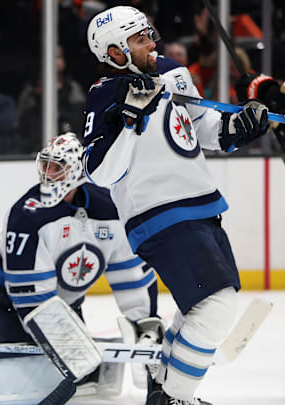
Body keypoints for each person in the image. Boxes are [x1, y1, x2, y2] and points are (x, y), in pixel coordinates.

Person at [82, 6, 270, 405]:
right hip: (158, 214)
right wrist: (130, 117)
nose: (152, 43)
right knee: (216, 308)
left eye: (149, 33)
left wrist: (240, 127)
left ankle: (164, 388)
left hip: (202, 206)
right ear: (115, 53)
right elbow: (99, 172)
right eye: (139, 39)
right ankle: (174, 397)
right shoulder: (105, 94)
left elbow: (203, 128)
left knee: (199, 311)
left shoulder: (170, 70)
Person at [0, 133, 162, 404]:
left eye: (57, 167)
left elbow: (130, 274)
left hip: (59, 302)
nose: (47, 173)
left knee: (70, 373)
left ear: (77, 171)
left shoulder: (110, 209)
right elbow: (31, 298)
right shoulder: (27, 215)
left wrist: (144, 326)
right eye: (45, 165)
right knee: (3, 382)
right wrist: (70, 352)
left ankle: (94, 370)